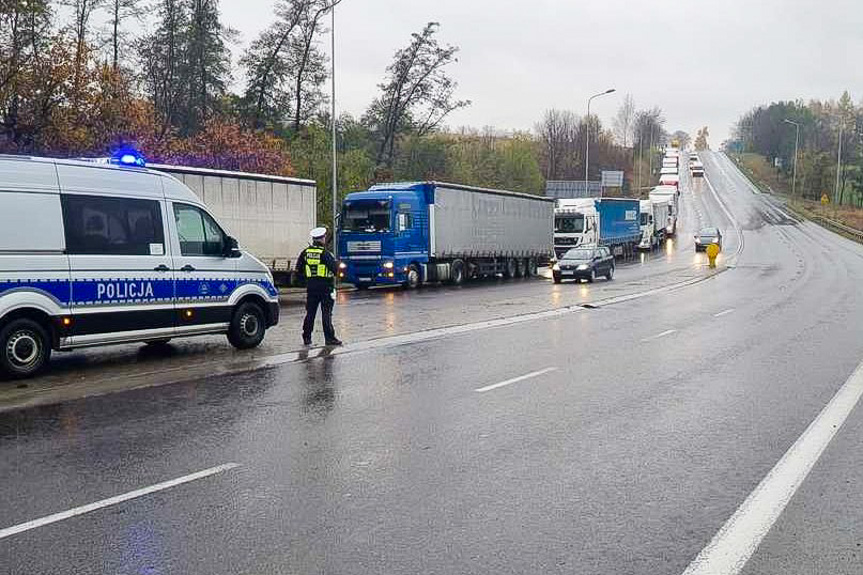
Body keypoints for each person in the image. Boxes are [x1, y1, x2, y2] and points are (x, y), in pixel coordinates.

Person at [295, 227, 342, 346]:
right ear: (322, 239)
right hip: (326, 287)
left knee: (310, 313)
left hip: (311, 287)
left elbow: (298, 269)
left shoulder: (305, 252)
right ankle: (329, 338)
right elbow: (335, 269)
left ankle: (306, 337)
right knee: (326, 314)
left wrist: (307, 279)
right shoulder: (325, 253)